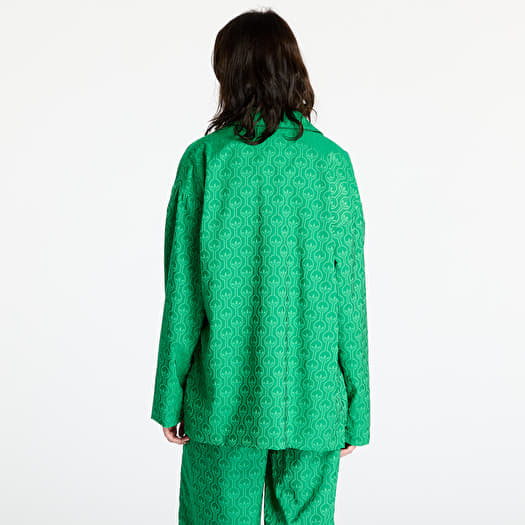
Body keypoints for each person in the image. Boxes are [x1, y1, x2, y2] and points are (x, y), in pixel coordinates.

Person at [151, 8, 371, 524]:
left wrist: (171, 392)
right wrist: (355, 406)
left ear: (231, 75)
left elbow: (184, 291)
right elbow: (350, 296)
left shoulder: (206, 161)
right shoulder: (332, 164)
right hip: (314, 396)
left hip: (224, 394)